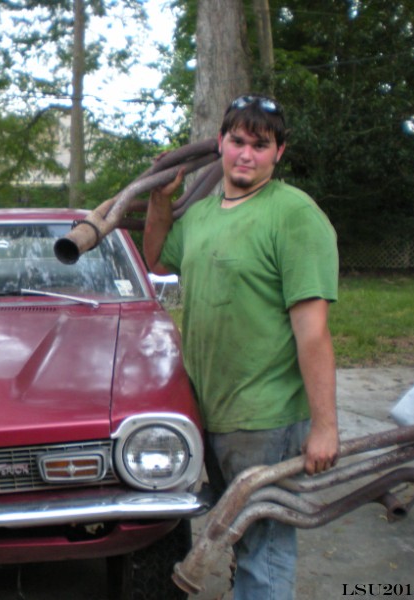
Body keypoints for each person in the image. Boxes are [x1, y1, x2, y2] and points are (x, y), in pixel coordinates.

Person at [143, 94, 339, 600]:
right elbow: (157, 260)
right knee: (238, 537)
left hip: (267, 419)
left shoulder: (294, 215)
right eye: (237, 141)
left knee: (264, 551)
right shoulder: (203, 214)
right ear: (220, 144)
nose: (246, 154)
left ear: (279, 152)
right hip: (212, 412)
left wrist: (325, 427)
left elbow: (313, 331)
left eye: (260, 144)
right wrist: (161, 200)